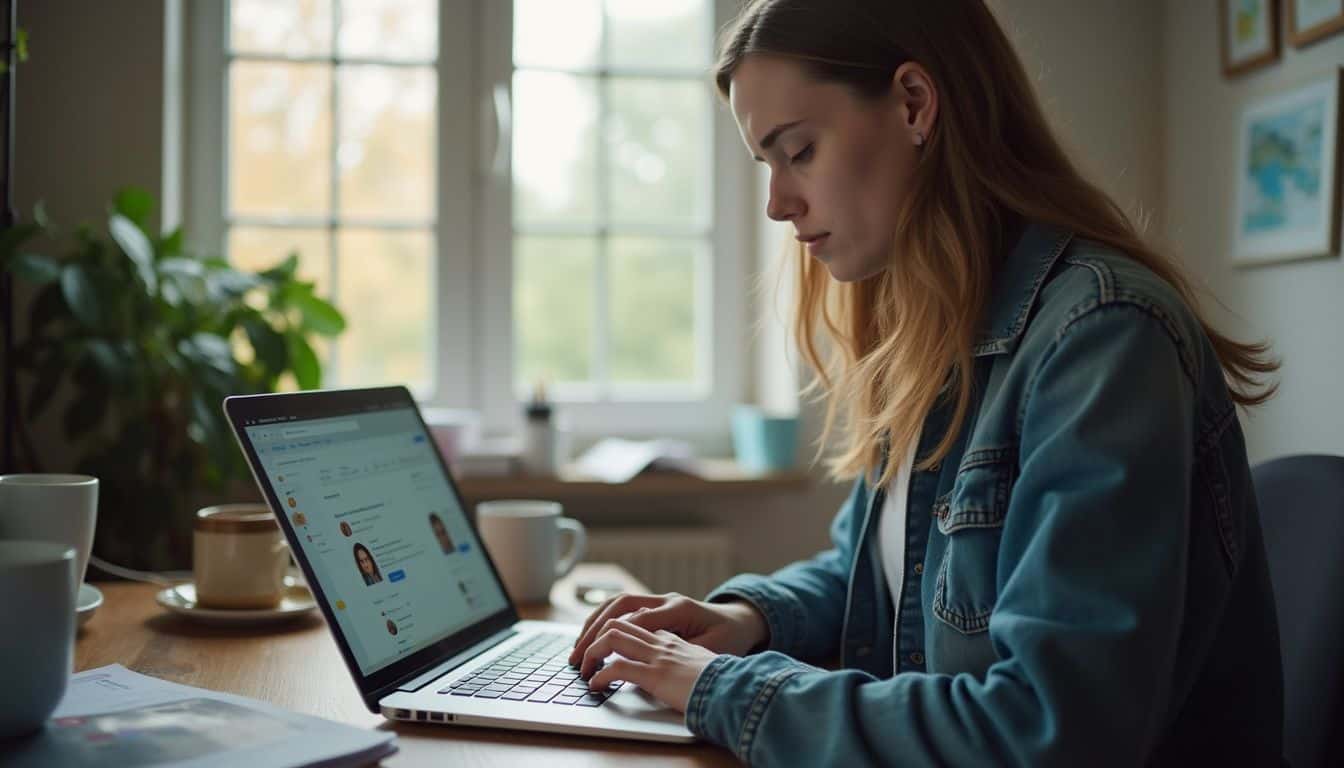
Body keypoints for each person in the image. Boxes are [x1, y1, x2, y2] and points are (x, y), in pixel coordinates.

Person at [566, 1, 1285, 765]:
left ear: (914, 103)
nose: (776, 202)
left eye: (799, 151)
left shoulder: (1103, 339)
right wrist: (746, 619)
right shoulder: (937, 330)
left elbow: (1047, 730)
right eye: (765, 164)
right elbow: (869, 574)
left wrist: (722, 686)